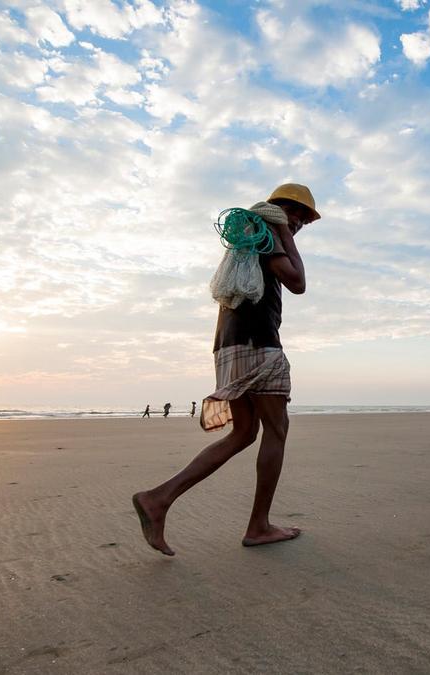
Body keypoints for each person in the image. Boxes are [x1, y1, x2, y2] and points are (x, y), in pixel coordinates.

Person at [133, 183, 318, 555]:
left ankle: (158, 499)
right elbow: (296, 282)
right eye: (297, 214)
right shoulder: (267, 232)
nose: (299, 223)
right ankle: (259, 526)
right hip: (258, 344)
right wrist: (283, 228)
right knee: (277, 430)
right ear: (280, 207)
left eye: (303, 220)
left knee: (244, 433)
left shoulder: (248, 233)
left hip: (228, 346)